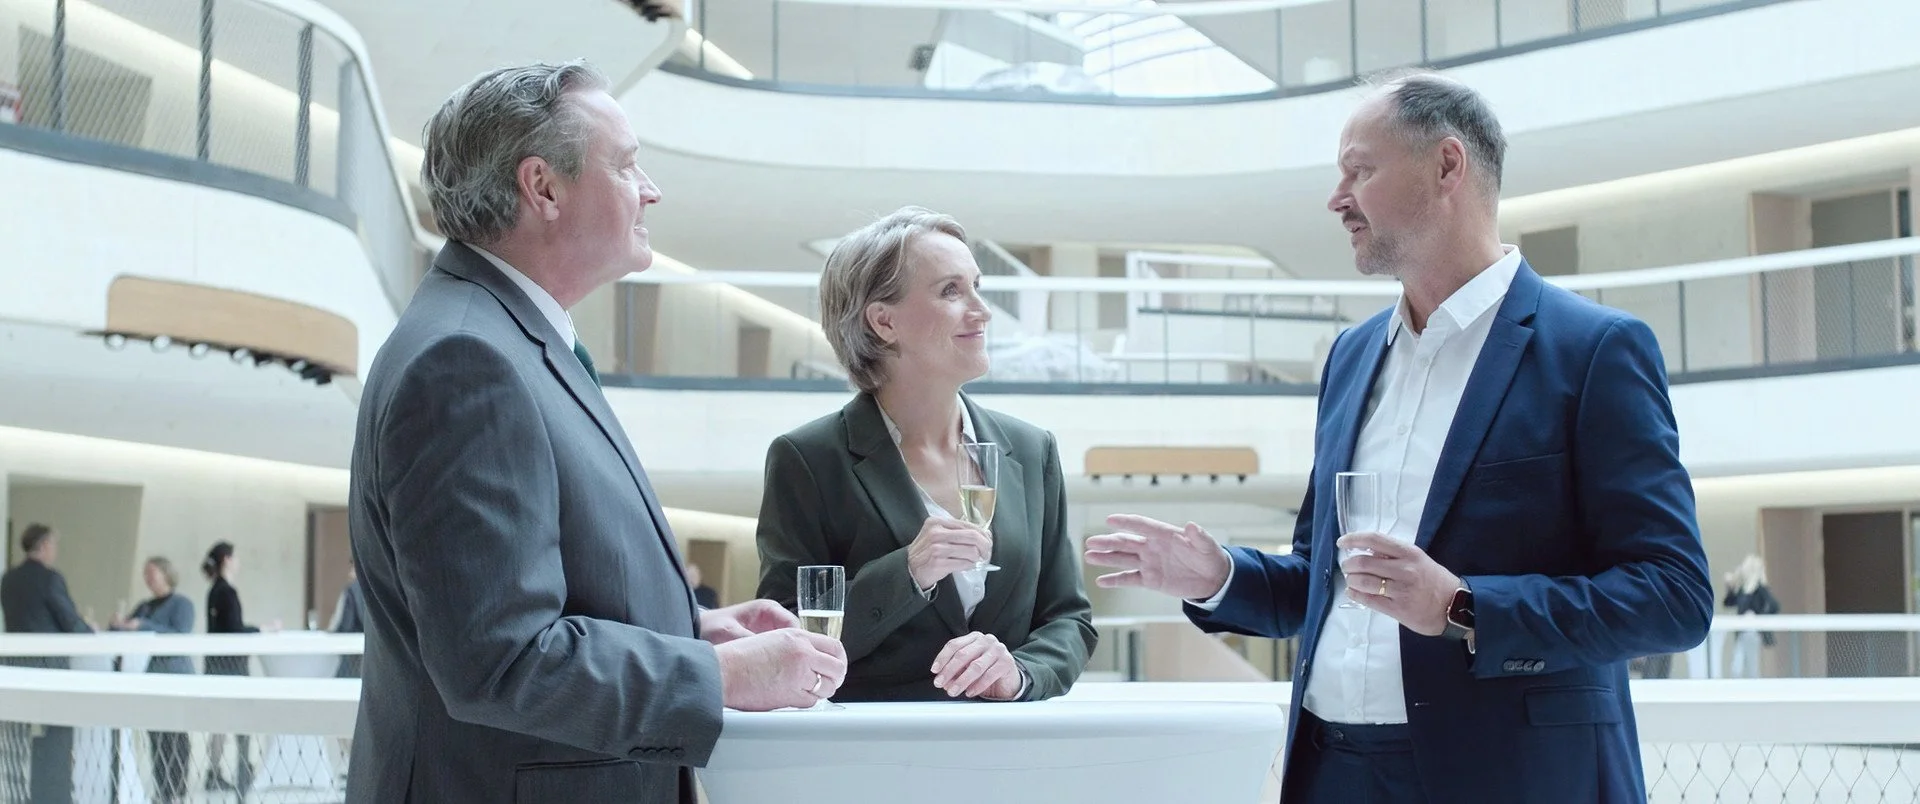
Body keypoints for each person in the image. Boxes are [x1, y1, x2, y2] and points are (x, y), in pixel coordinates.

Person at [1083, 71, 1713, 804]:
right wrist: (1219, 576)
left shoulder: (1594, 349)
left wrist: (1463, 607)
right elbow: (1327, 579)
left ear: (1448, 165)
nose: (1336, 197)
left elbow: (1673, 596)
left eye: (1360, 169)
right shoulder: (1351, 357)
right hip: (1332, 769)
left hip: (1508, 777)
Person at [346, 60, 846, 804]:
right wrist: (722, 676)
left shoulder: (503, 340)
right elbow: (500, 659)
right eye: (627, 165)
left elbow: (538, 601)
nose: (651, 190)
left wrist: (687, 631)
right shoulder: (465, 360)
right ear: (542, 187)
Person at [755, 206, 1096, 702]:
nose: (982, 310)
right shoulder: (808, 459)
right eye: (951, 291)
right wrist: (908, 571)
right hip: (873, 755)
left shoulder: (1030, 449)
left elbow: (1068, 620)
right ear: (884, 321)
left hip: (1010, 754)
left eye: (976, 286)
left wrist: (1019, 674)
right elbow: (785, 640)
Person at [0, 524, 92, 804]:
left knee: (14, 736)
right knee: (56, 732)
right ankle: (52, 796)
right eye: (53, 545)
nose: (55, 551)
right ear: (43, 545)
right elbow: (69, 621)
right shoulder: (50, 579)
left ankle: (14, 795)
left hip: (15, 666)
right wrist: (91, 632)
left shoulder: (8, 579)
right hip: (49, 668)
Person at [112, 557, 195, 804]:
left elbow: (180, 634)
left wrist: (142, 626)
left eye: (152, 573)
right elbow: (128, 630)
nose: (148, 578)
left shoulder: (182, 604)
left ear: (166, 574)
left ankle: (177, 790)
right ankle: (162, 788)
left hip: (174, 676)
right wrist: (117, 625)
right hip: (148, 679)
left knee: (175, 735)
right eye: (145, 574)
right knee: (155, 736)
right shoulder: (144, 606)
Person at [202, 541, 264, 793]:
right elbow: (235, 629)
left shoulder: (215, 590)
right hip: (231, 665)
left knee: (219, 721)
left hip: (217, 664)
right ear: (227, 559)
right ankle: (239, 769)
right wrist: (262, 629)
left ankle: (215, 770)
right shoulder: (226, 591)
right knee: (236, 719)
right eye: (235, 557)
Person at [1723, 554, 1779, 678]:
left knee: (1752, 664)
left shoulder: (1760, 589)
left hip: (1753, 632)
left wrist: (1758, 617)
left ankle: (1754, 689)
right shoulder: (1743, 589)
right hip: (1742, 632)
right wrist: (1730, 587)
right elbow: (1728, 602)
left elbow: (1774, 606)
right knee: (1736, 667)